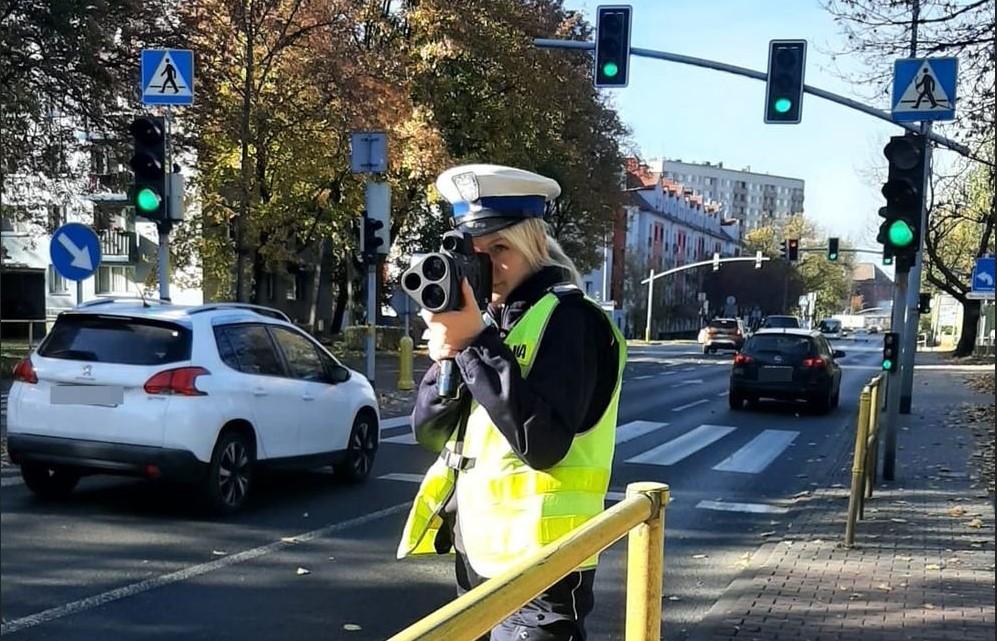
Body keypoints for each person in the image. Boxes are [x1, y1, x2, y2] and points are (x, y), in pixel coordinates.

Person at [396, 164, 627, 641]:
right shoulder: (487, 324)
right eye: (476, 254)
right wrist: (447, 356)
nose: (488, 266)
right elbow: (429, 431)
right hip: (477, 554)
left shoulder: (570, 320)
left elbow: (541, 443)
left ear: (533, 243)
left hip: (545, 567)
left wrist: (474, 344)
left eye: (500, 249)